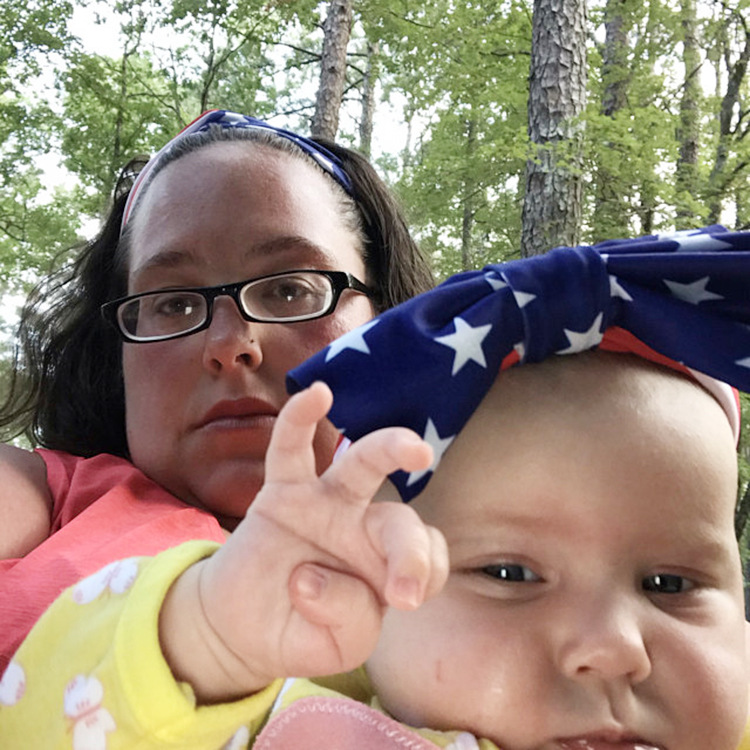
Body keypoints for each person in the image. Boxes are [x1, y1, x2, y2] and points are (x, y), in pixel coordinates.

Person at [2, 227, 749, 749]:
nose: (614, 648)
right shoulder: (302, 717)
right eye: (511, 573)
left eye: (670, 581)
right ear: (373, 596)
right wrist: (211, 640)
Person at [0, 109, 434, 672]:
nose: (231, 344)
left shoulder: (483, 532)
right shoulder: (42, 496)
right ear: (119, 355)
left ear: (389, 317)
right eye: (175, 303)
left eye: (289, 289)